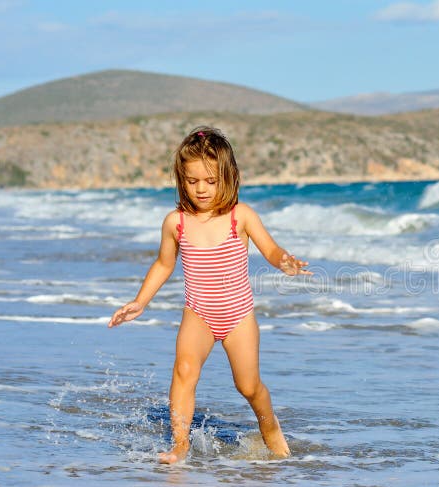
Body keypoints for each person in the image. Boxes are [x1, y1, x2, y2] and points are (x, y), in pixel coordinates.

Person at [108, 126, 310, 464]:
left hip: (238, 316)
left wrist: (285, 262)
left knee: (248, 386)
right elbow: (163, 264)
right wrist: (140, 301)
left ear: (228, 177)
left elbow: (271, 250)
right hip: (198, 312)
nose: (201, 188)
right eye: (192, 181)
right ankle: (180, 446)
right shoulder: (177, 222)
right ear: (181, 179)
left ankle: (270, 426)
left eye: (210, 181)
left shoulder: (239, 216)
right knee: (184, 371)